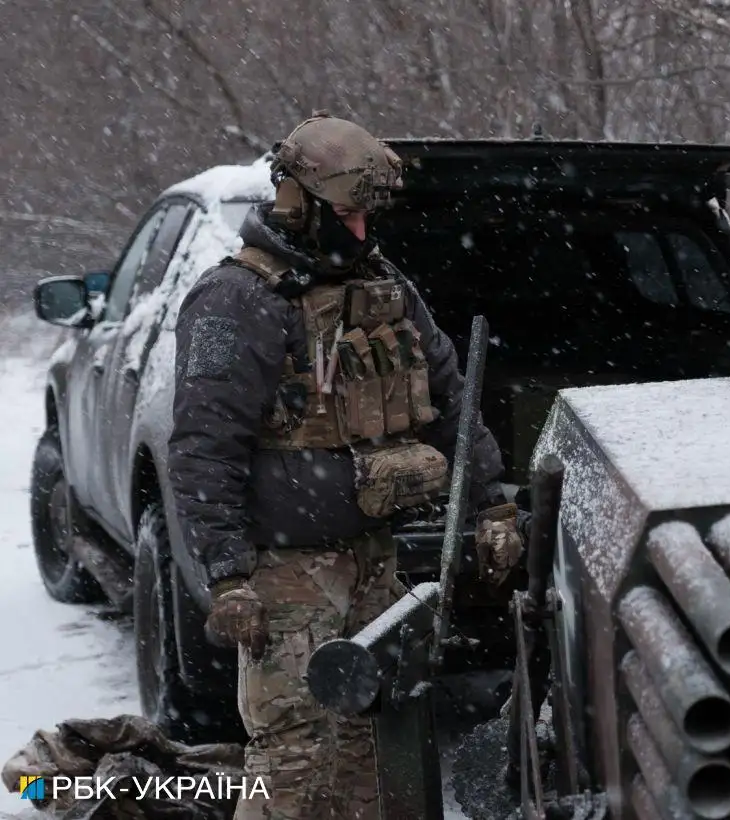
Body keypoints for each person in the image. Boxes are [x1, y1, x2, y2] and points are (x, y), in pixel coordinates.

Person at [168, 112, 523, 819]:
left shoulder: (385, 288)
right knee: (295, 759)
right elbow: (203, 450)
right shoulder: (237, 301)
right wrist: (229, 573)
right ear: (296, 201)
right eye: (346, 215)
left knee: (368, 747)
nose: (361, 233)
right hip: (286, 573)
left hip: (372, 559)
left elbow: (453, 402)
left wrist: (491, 507)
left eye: (369, 216)